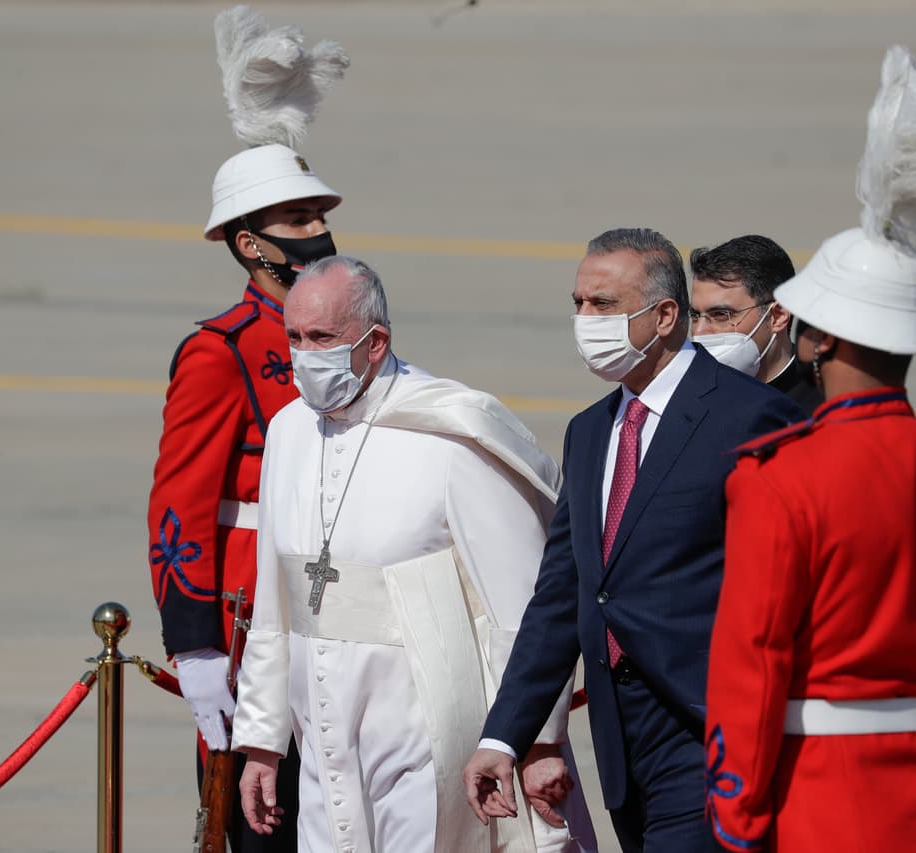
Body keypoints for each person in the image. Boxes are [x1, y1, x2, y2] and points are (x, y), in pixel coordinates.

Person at [704, 45, 916, 853]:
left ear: (815, 337)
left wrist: (736, 817)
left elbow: (753, 656)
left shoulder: (779, 478)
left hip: (816, 801)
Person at [232, 256, 597, 853]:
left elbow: (521, 609)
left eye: (322, 338)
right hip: (323, 736)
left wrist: (539, 740)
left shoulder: (450, 433)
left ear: (375, 343)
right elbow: (277, 598)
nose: (304, 354)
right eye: (293, 337)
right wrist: (262, 743)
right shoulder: (287, 431)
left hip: (431, 725)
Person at [464, 228, 802, 853]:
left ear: (666, 315)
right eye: (578, 304)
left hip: (710, 727)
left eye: (603, 305)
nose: (584, 321)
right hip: (622, 739)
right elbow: (564, 594)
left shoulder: (751, 415)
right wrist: (504, 737)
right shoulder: (591, 432)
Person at [146, 8, 349, 849]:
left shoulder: (354, 330)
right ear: (245, 244)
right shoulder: (218, 351)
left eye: (316, 216)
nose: (316, 232)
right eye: (294, 222)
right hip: (248, 617)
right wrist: (194, 644)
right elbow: (178, 508)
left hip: (344, 606)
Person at [689, 234, 822, 412]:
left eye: (721, 314)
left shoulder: (820, 406)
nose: (699, 332)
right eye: (695, 315)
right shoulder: (690, 399)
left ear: (777, 316)